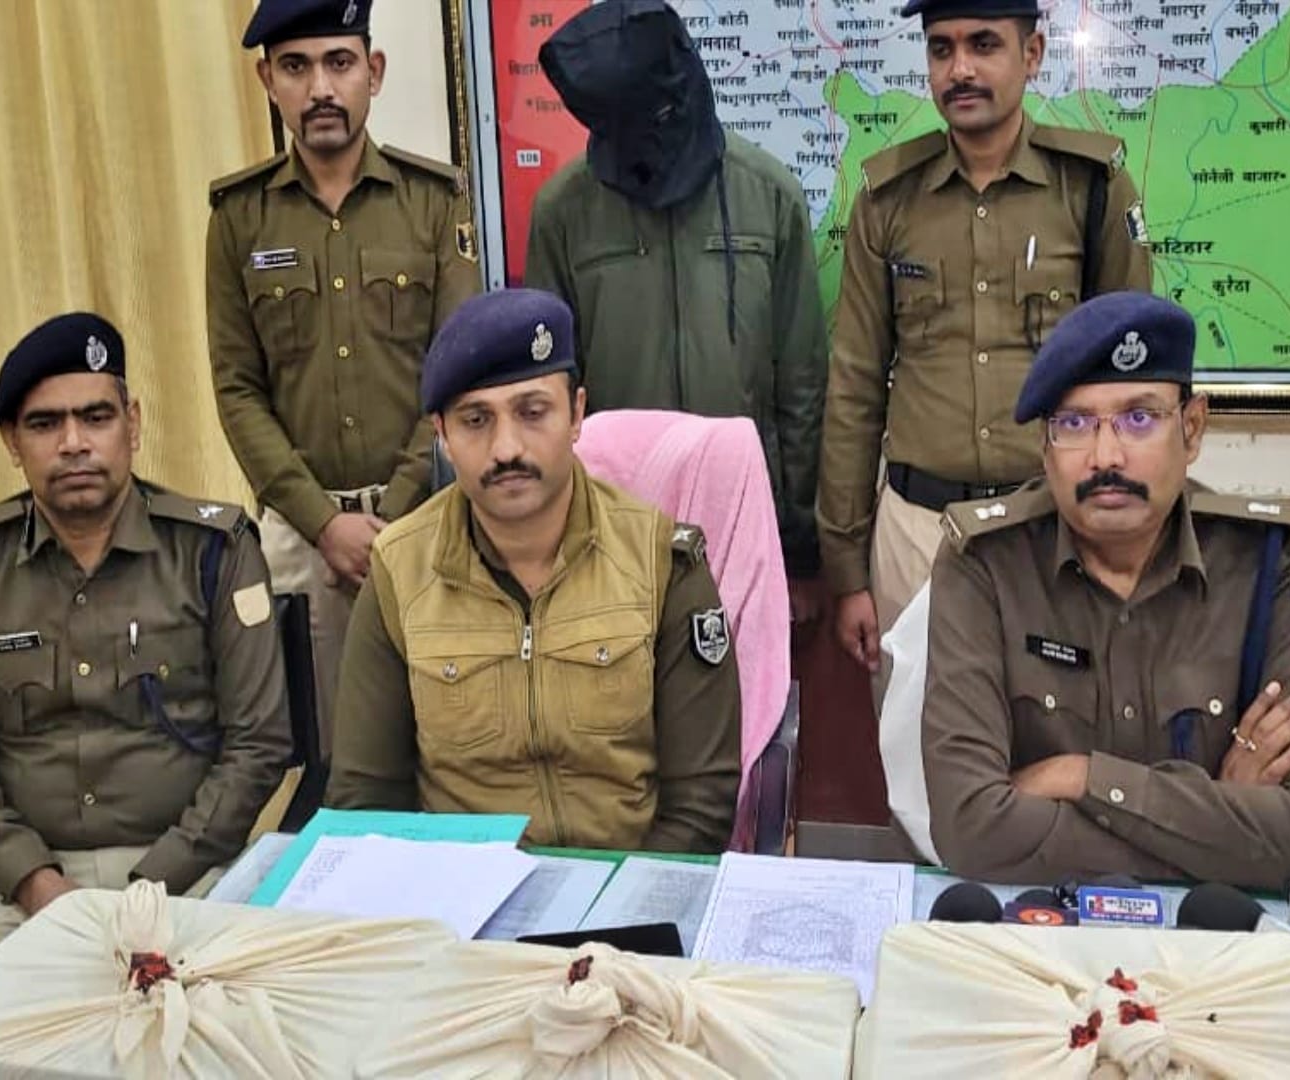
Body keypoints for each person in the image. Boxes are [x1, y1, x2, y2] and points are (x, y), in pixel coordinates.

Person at [921, 292, 1290, 888]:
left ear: (1192, 429)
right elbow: (970, 830)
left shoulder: (1269, 566)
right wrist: (1222, 817)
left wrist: (1080, 777)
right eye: (1074, 424)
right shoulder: (986, 565)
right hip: (1039, 922)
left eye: (1139, 418)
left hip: (1220, 930)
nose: (1106, 456)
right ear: (1044, 447)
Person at [0, 313, 290, 991]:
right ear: (11, 441)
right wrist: (35, 882)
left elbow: (258, 744)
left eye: (95, 417)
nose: (74, 443)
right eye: (44, 424)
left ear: (132, 425)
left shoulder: (214, 551)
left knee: (227, 1020)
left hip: (187, 875)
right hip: (21, 888)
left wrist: (153, 883)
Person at [327, 289, 741, 853]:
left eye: (532, 412)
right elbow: (365, 801)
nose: (506, 449)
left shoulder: (661, 561)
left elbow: (701, 803)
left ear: (576, 414)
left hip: (629, 881)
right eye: (476, 420)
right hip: (464, 892)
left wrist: (614, 901)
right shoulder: (399, 571)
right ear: (442, 436)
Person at [820, 0, 1153, 680]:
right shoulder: (887, 199)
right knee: (916, 737)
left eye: (983, 44)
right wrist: (848, 571)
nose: (960, 69)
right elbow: (854, 386)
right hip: (918, 534)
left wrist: (1123, 539)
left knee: (1056, 734)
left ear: (1032, 55)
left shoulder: (1090, 189)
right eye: (941, 49)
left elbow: (1134, 386)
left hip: (1053, 532)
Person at [207, 0, 481, 741]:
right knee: (327, 754)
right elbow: (237, 388)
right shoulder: (239, 218)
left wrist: (396, 510)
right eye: (296, 67)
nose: (321, 88)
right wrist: (325, 524)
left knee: (450, 739)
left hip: (428, 519)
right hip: (304, 541)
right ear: (268, 80)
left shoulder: (434, 203)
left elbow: (457, 373)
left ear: (374, 72)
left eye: (339, 62)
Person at [526, 0, 828, 616]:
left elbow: (802, 385)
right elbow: (548, 391)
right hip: (612, 533)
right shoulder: (564, 211)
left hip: (744, 521)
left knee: (748, 679)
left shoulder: (768, 195)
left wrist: (799, 546)